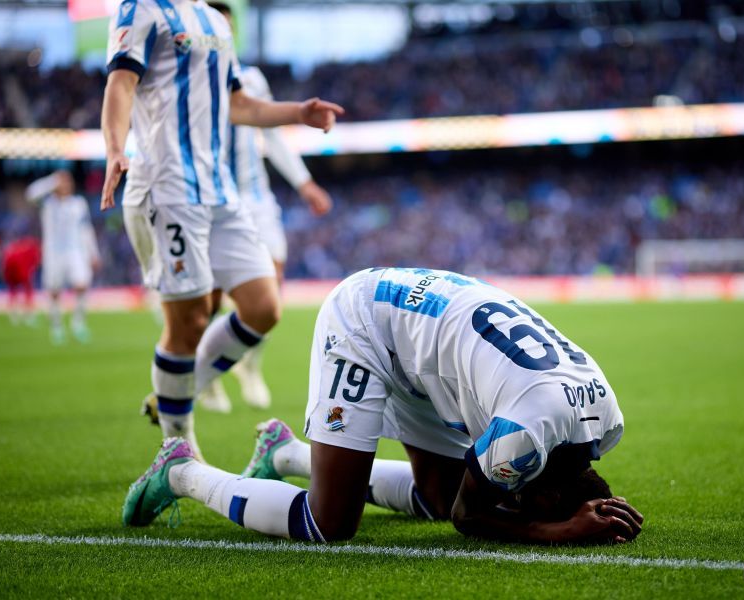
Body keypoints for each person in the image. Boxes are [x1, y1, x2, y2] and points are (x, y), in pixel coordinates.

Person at [123, 267, 643, 544]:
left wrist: (534, 509)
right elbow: (470, 517)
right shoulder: (524, 437)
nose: (515, 497)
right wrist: (554, 531)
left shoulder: (607, 420)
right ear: (546, 493)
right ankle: (182, 471)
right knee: (329, 522)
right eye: (524, 496)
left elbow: (459, 502)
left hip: (431, 344)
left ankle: (284, 455)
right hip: (369, 322)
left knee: (437, 497)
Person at [101, 0, 344, 461]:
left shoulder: (215, 21)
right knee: (190, 319)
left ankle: (179, 395)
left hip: (221, 192)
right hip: (168, 189)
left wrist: (298, 112)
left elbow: (237, 104)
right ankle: (178, 447)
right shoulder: (141, 9)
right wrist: (115, 148)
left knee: (263, 306)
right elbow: (121, 83)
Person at [196, 1, 334, 413]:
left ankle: (249, 365)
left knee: (270, 288)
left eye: (226, 28)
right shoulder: (189, 77)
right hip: (212, 200)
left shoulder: (251, 79)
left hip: (256, 198)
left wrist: (304, 182)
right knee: (212, 301)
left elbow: (271, 135)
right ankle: (210, 373)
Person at [25, 171, 99, 344]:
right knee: (54, 291)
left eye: (68, 182)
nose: (66, 185)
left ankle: (78, 324)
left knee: (82, 284)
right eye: (62, 182)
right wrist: (51, 182)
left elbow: (86, 229)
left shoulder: (78, 204)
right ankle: (56, 327)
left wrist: (93, 253)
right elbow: (30, 194)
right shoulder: (48, 203)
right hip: (53, 253)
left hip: (75, 252)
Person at [1, 235, 41, 326]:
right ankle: (28, 315)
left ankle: (14, 315)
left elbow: (6, 263)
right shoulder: (32, 249)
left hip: (12, 272)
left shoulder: (14, 248)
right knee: (28, 293)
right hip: (21, 272)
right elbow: (36, 263)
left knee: (13, 293)